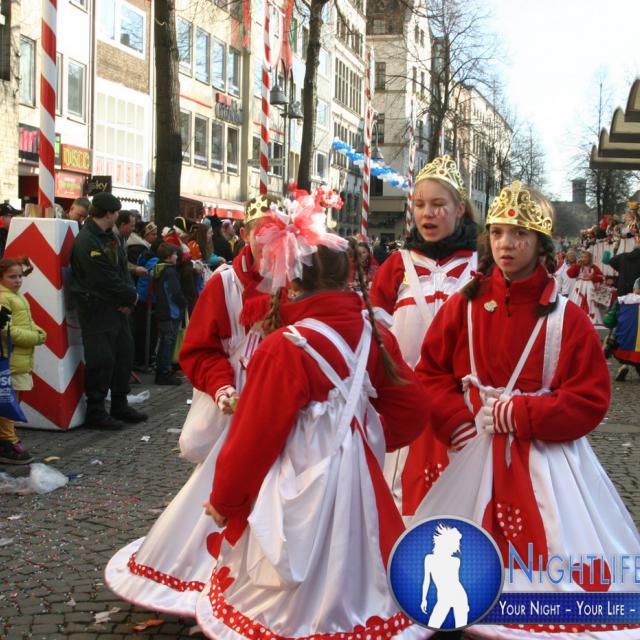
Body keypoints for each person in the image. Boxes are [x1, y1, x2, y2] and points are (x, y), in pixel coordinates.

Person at [412, 181, 640, 639]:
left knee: (552, 556)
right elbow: (429, 374)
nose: (506, 244)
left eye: (520, 234)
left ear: (540, 244)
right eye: (498, 233)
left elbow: (590, 398)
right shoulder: (463, 305)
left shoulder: (565, 316)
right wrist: (455, 421)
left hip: (544, 463)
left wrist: (522, 415)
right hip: (467, 451)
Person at [197, 194, 430, 640]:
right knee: (363, 547)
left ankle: (302, 622)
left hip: (298, 472)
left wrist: (226, 500)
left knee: (296, 550)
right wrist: (367, 438)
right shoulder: (374, 332)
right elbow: (412, 409)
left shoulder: (284, 346)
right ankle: (361, 616)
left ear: (292, 282)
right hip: (360, 475)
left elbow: (253, 438)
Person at [104, 195, 280, 616]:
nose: (270, 244)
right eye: (262, 234)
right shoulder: (224, 283)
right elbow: (200, 349)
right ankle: (209, 568)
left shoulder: (299, 281)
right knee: (225, 475)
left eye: (279, 235)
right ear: (245, 235)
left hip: (279, 399)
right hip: (237, 399)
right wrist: (221, 388)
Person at [370, 155, 478, 517]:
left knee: (462, 505)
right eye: (419, 205)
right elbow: (376, 337)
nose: (427, 214)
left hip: (462, 410)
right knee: (399, 502)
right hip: (407, 404)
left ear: (459, 208)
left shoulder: (480, 266)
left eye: (437, 205)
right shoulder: (396, 265)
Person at [69, 192, 147, 430]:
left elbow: (121, 270)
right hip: (97, 308)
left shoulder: (108, 236)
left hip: (116, 307)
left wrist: (128, 299)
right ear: (109, 214)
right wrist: (130, 296)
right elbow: (102, 278)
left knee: (123, 355)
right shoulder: (87, 241)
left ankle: (119, 404)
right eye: (116, 213)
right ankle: (96, 411)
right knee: (101, 360)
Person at [0, 258, 46, 464]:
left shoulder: (17, 297)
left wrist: (39, 332)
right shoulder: (3, 298)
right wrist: (34, 337)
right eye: (12, 276)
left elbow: (28, 322)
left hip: (19, 359)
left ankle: (8, 438)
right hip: (9, 359)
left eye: (20, 276)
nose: (18, 280)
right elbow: (5, 330)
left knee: (13, 400)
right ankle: (7, 441)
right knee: (7, 402)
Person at [152, 243, 187, 385]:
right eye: (174, 254)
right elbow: (175, 292)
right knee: (168, 342)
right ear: (168, 256)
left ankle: (162, 371)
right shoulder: (170, 272)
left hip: (162, 310)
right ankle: (164, 373)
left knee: (164, 342)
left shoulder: (158, 269)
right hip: (170, 311)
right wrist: (183, 303)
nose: (177, 256)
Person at [604, 277, 640, 382]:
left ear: (634, 288)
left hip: (623, 349)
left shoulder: (621, 301)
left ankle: (624, 365)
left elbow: (608, 322)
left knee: (609, 339)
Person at [566, 249, 605, 325]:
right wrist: (576, 265)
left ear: (589, 258)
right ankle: (576, 318)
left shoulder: (594, 267)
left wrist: (593, 277)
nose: (583, 259)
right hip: (579, 287)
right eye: (582, 257)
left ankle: (591, 318)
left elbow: (601, 277)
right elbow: (569, 274)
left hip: (590, 288)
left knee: (590, 302)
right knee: (577, 301)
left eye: (585, 257)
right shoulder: (578, 266)